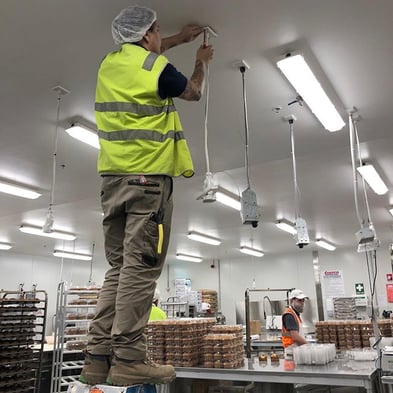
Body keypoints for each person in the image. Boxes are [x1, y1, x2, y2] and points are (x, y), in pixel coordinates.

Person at [79, 5, 213, 387]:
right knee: (141, 269)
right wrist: (201, 59)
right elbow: (194, 91)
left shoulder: (109, 63)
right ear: (147, 35)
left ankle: (97, 355)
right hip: (147, 181)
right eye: (158, 32)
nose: (159, 37)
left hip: (113, 181)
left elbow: (148, 56)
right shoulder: (157, 70)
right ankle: (129, 358)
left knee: (119, 268)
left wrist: (177, 39)